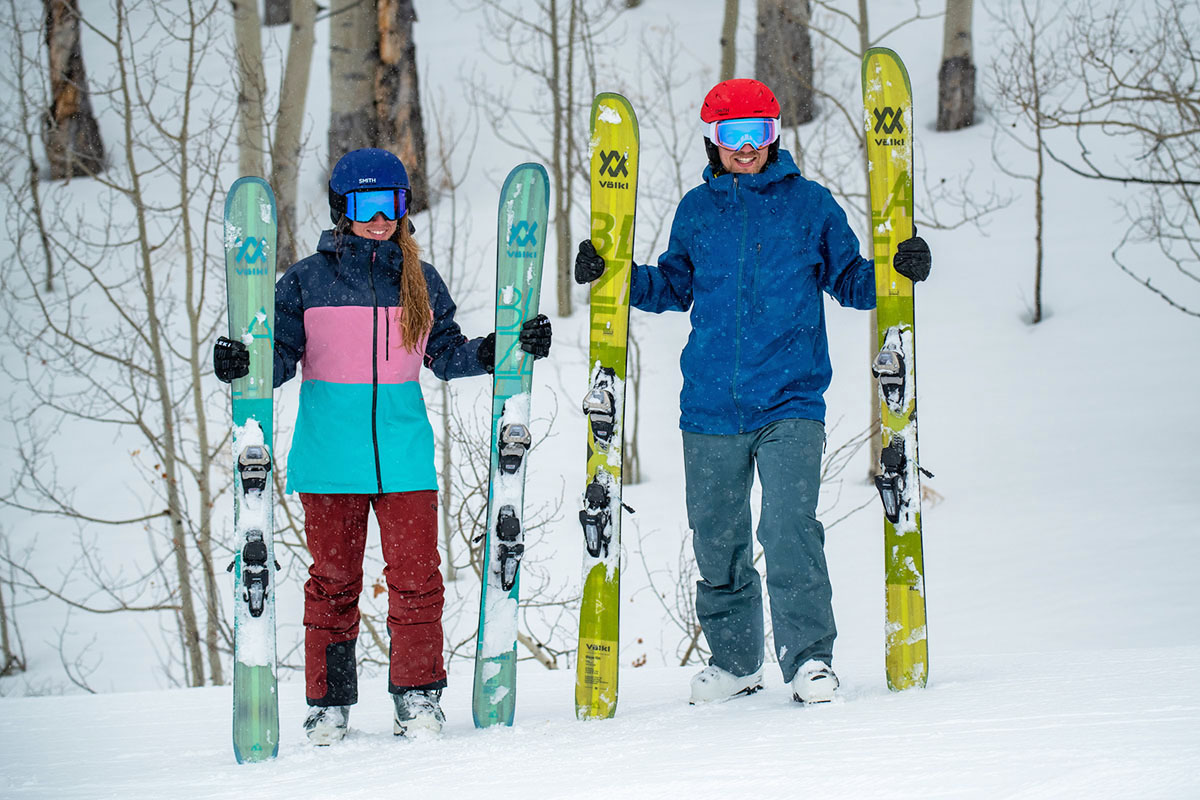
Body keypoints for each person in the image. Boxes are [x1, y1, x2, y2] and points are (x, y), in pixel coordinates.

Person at [575, 79, 930, 705]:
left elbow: (850, 281)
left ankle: (810, 662)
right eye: (735, 135)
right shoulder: (696, 210)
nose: (748, 147)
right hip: (709, 405)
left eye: (760, 133)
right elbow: (673, 288)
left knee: (788, 525)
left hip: (791, 399)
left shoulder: (809, 205)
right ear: (714, 140)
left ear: (775, 135)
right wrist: (615, 275)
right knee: (718, 537)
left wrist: (896, 271)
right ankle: (736, 665)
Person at [214, 148, 552, 742]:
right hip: (329, 459)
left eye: (392, 204)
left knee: (418, 580)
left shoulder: (418, 279)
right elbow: (280, 359)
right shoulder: (306, 280)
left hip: (403, 456)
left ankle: (418, 698)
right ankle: (329, 704)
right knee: (333, 584)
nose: (380, 218)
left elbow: (446, 355)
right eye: (367, 205)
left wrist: (505, 347)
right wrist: (244, 363)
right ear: (343, 209)